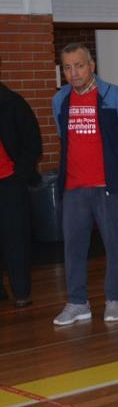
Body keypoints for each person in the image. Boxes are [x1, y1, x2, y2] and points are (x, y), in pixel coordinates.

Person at [52, 43, 118, 326]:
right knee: (73, 246)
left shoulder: (114, 96)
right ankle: (78, 303)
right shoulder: (60, 100)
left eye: (78, 65)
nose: (73, 72)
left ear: (91, 66)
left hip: (108, 187)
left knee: (114, 244)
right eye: (67, 67)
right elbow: (61, 135)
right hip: (74, 188)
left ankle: (114, 298)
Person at [0, 73, 42, 308]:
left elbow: (33, 142)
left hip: (9, 183)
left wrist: (20, 176)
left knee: (16, 239)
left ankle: (22, 292)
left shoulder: (13, 103)